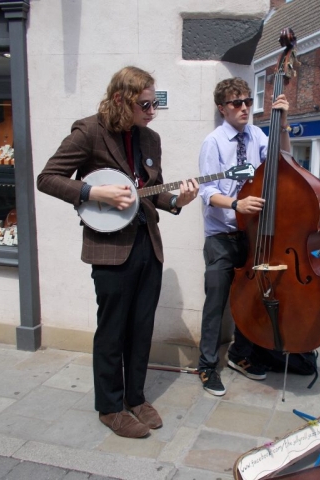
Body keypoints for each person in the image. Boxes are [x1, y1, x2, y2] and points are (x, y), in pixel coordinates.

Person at [37, 66, 199, 438]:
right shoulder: (89, 132)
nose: (152, 110)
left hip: (147, 243)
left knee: (141, 327)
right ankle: (110, 408)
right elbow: (47, 178)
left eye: (155, 102)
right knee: (112, 329)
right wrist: (93, 193)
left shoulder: (150, 139)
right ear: (119, 99)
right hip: (110, 248)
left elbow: (153, 189)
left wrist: (178, 199)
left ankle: (135, 397)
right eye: (145, 103)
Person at [197, 77, 291, 396]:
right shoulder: (214, 142)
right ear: (222, 108)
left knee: (251, 298)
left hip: (250, 235)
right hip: (222, 235)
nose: (244, 108)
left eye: (248, 102)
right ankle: (207, 366)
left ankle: (240, 355)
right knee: (217, 302)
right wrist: (237, 203)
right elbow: (206, 190)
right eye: (237, 103)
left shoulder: (257, 134)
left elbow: (282, 161)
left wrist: (284, 124)